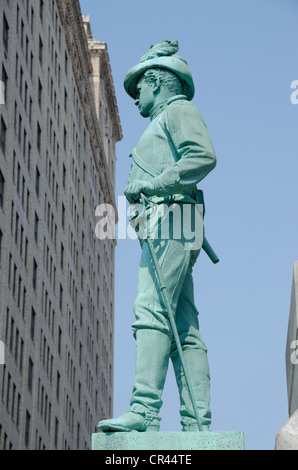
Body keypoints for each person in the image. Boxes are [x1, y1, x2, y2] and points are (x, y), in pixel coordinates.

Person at [98, 40, 217, 433]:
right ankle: (197, 422)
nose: (136, 99)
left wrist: (155, 186)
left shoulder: (179, 110)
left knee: (149, 307)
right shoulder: (161, 120)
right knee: (183, 325)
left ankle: (144, 411)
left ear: (157, 81)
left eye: (139, 90)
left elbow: (201, 156)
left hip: (174, 218)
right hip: (164, 223)